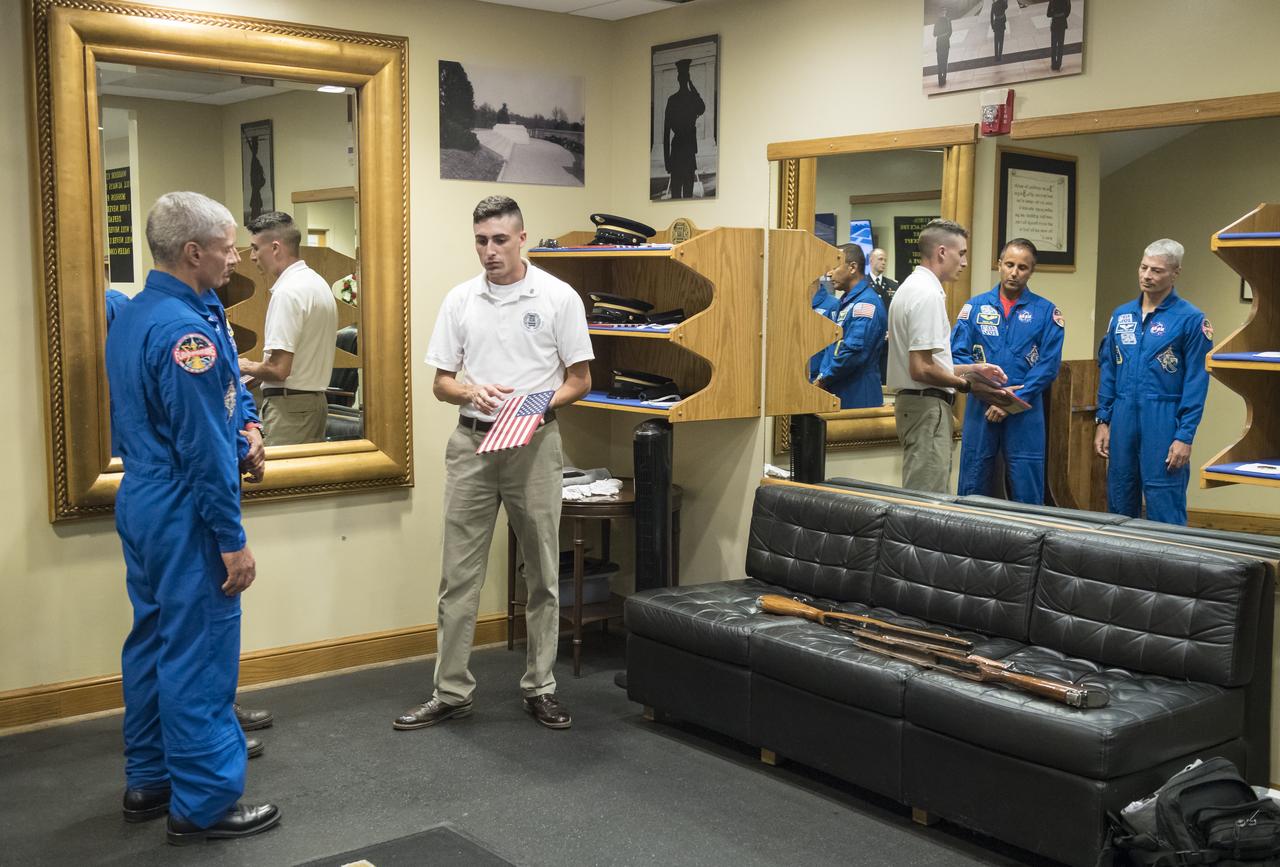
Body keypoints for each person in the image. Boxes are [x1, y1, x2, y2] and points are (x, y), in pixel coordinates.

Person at [105, 191, 278, 845]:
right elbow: (202, 449)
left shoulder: (141, 310)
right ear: (193, 252)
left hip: (145, 499)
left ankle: (150, 778)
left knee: (153, 639)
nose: (238, 257)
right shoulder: (185, 334)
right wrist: (231, 540)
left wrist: (249, 426)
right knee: (199, 652)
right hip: (184, 505)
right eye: (229, 247)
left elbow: (221, 401)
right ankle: (202, 802)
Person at [396, 195, 592, 733]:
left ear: (522, 238)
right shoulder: (461, 300)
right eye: (481, 240)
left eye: (500, 240)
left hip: (534, 444)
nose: (489, 251)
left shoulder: (558, 297)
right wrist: (471, 390)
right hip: (472, 446)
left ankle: (541, 686)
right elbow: (441, 383)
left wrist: (534, 403)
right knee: (457, 576)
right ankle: (451, 691)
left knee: (543, 574)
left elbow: (580, 379)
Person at [886, 219, 1010, 493]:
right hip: (927, 407)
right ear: (942, 252)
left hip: (917, 404)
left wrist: (973, 370)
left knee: (925, 494)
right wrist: (967, 385)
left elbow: (929, 364)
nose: (964, 262)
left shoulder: (909, 287)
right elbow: (921, 369)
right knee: (927, 502)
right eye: (962, 253)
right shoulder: (927, 294)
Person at [1095, 239, 1212, 526]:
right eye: (1144, 267)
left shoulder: (1191, 319)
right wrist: (1103, 419)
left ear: (1175, 273)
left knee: (1164, 499)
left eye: (1157, 271)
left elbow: (1197, 381)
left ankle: (1172, 568)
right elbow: (1109, 369)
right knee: (1120, 498)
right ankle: (1120, 566)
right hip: (1123, 415)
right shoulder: (1121, 316)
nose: (1147, 275)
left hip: (1163, 417)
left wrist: (1184, 436)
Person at [950, 239, 1064, 504]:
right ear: (999, 265)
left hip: (1025, 409)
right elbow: (958, 355)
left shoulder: (1047, 312)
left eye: (1023, 267)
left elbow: (1048, 365)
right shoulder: (975, 308)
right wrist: (992, 395)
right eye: (1009, 264)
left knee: (1026, 486)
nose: (1014, 272)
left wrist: (1009, 402)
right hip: (981, 407)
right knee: (973, 482)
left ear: (1032, 271)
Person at [238, 211, 338, 446]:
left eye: (255, 248)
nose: (252, 257)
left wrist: (244, 365)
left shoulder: (287, 292)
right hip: (311, 405)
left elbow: (279, 369)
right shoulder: (316, 283)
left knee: (284, 481)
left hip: (289, 410)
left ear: (275, 248)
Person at [813, 244, 888, 409]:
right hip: (840, 390)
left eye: (834, 267)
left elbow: (853, 353)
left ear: (853, 267)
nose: (829, 273)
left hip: (858, 395)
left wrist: (823, 379)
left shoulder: (866, 304)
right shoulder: (846, 302)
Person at [662, 58, 706, 199]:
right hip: (683, 151)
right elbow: (666, 131)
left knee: (682, 193)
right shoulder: (683, 99)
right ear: (685, 79)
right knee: (684, 194)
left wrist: (667, 160)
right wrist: (691, 86)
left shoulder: (675, 100)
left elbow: (666, 133)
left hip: (681, 151)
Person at [868, 248, 899, 384]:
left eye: (885, 260)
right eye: (880, 259)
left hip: (888, 342)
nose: (884, 262)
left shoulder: (893, 285)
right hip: (870, 339)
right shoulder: (863, 283)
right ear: (871, 260)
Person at [1048, 0, 1071, 70]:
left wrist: (1055, 14)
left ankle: (1053, 65)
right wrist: (1062, 15)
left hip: (1055, 24)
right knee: (1061, 45)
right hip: (1062, 23)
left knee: (1054, 45)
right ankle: (1059, 64)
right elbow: (1067, 12)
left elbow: (1048, 14)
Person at [934, 10, 953, 87]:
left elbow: (934, 34)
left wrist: (941, 35)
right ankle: (943, 78)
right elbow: (950, 32)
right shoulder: (948, 20)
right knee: (944, 61)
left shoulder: (937, 21)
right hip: (945, 43)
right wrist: (945, 37)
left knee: (940, 61)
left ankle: (940, 79)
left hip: (939, 44)